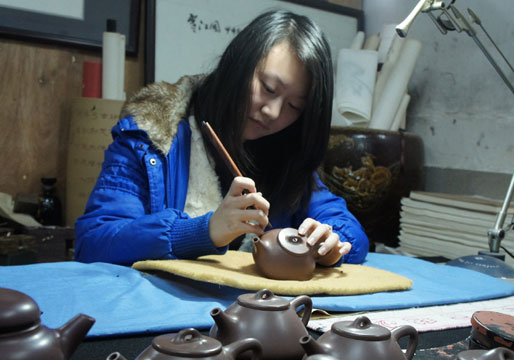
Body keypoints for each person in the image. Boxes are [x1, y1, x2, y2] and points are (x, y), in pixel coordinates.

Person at [75, 10, 369, 266]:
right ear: (238, 65)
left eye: (294, 106)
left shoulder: (287, 155)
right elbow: (93, 241)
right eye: (268, 88)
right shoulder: (150, 135)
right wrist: (204, 231)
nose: (273, 112)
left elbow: (346, 227)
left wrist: (332, 244)